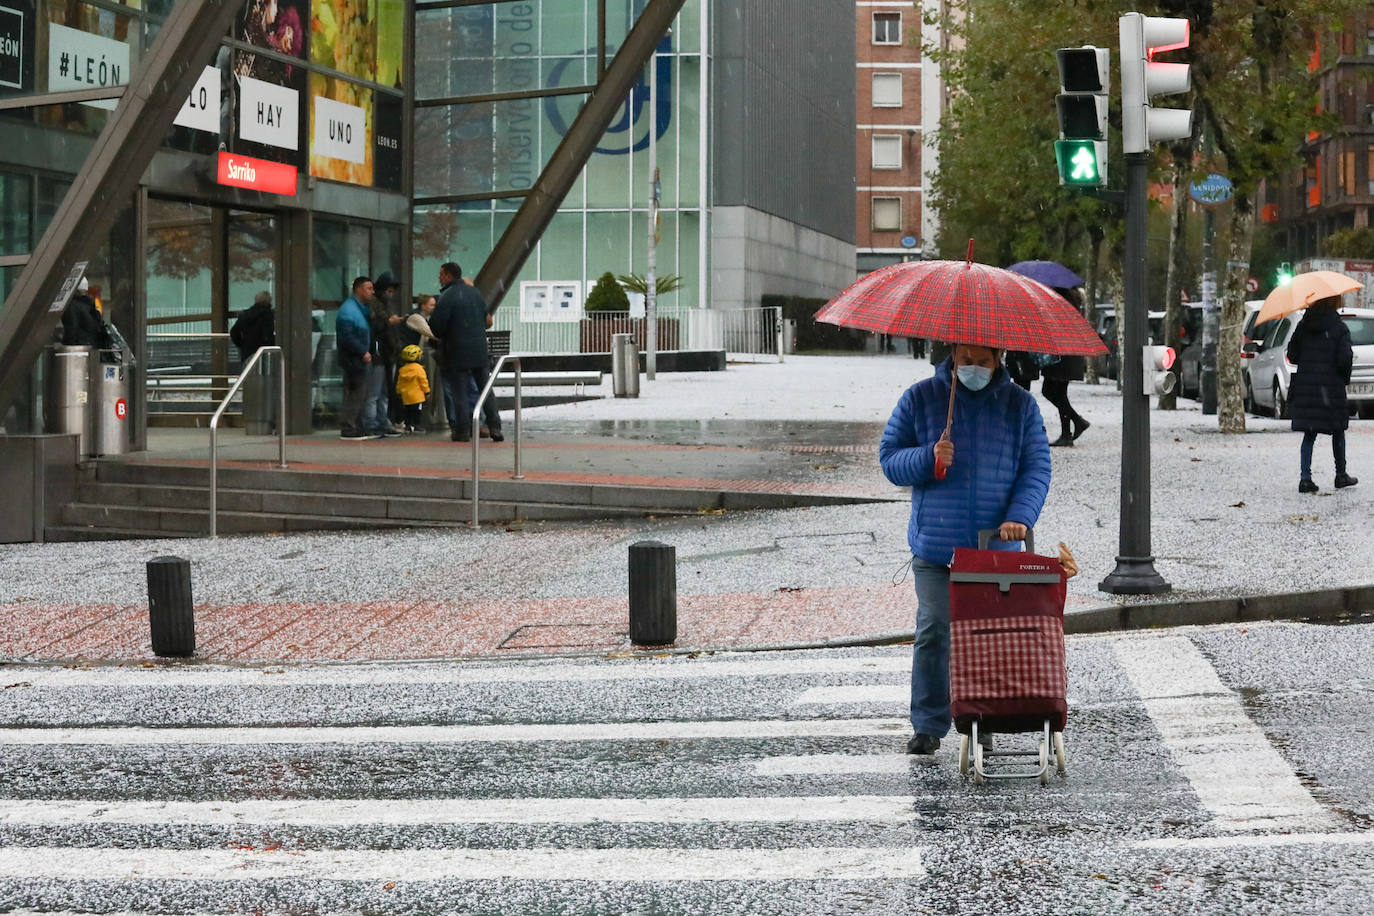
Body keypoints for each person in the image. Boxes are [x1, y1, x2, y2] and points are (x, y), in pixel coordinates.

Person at [879, 342, 1052, 756]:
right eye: (965, 360)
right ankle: (927, 724)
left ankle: (982, 718)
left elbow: (1036, 466)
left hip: (995, 548)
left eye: (983, 362)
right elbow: (889, 459)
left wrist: (1020, 517)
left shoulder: (1020, 406)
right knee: (935, 629)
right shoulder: (920, 398)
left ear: (998, 361)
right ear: (952, 356)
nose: (973, 368)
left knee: (987, 636)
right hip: (936, 546)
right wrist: (927, 458)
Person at [1288, 296, 1357, 493]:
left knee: (1309, 433)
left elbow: (1292, 354)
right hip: (1331, 387)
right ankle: (1341, 474)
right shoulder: (1339, 327)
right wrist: (1343, 377)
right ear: (1335, 301)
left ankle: (1305, 477)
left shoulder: (1304, 325)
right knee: (1338, 430)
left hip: (1307, 386)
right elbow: (1345, 358)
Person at [428, 261, 503, 443]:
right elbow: (486, 319)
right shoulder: (475, 293)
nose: (439, 278)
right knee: (485, 390)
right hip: (479, 350)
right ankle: (495, 427)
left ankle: (462, 431)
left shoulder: (447, 296)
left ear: (447, 275)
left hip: (457, 351)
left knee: (459, 392)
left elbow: (436, 327)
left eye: (441, 274)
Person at [1039, 288, 1091, 447]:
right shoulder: (1071, 302)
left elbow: (1056, 326)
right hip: (1066, 353)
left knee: (1053, 392)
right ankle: (1072, 427)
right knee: (1057, 393)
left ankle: (1070, 430)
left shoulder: (1060, 303)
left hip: (1063, 354)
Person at [335, 276, 376, 440]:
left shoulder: (360, 309)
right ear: (358, 289)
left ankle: (357, 426)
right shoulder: (349, 311)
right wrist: (362, 351)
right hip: (353, 358)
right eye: (369, 288)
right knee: (355, 393)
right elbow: (347, 336)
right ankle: (349, 427)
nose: (372, 292)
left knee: (360, 393)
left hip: (356, 357)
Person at [365, 271, 405, 437]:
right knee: (376, 392)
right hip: (380, 353)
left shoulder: (382, 306)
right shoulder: (375, 306)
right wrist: (388, 322)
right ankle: (373, 423)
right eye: (389, 290)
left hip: (387, 353)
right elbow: (376, 327)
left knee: (384, 392)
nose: (391, 294)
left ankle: (381, 421)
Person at [59, 277, 110, 348]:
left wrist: (65, 347)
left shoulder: (72, 306)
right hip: (92, 350)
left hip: (79, 351)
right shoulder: (89, 305)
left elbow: (71, 332)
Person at [229, 291, 276, 361]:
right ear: (267, 301)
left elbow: (234, 332)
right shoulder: (267, 315)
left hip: (247, 352)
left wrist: (242, 344)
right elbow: (268, 334)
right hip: (263, 352)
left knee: (248, 370)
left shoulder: (245, 315)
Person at [395, 344, 430, 433]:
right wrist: (427, 392)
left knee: (407, 412)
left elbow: (399, 383)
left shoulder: (402, 370)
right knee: (417, 412)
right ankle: (417, 426)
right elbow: (423, 382)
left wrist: (399, 392)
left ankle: (408, 426)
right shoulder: (419, 369)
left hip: (406, 396)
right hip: (417, 397)